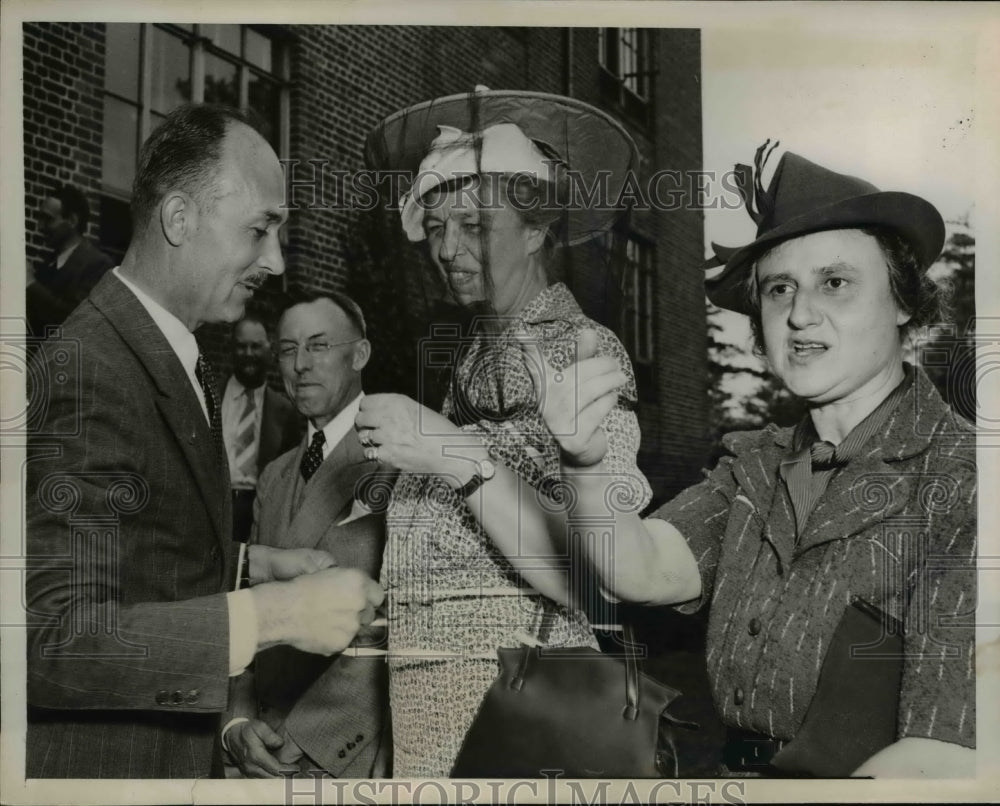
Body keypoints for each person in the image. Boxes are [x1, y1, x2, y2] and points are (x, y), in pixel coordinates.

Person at [522, 146, 977, 777]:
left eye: (835, 282)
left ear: (903, 301)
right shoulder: (757, 465)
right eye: (779, 288)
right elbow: (641, 568)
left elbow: (943, 749)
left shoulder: (965, 478)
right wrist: (585, 461)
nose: (799, 314)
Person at [25, 104, 384, 779]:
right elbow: (53, 645)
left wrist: (252, 565)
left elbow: (140, 550)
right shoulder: (89, 371)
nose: (275, 261)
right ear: (179, 219)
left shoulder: (160, 355)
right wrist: (271, 615)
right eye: (259, 230)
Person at [356, 91, 649, 777]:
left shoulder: (580, 352)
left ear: (536, 230)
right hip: (430, 723)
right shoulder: (473, 357)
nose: (446, 249)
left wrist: (450, 452)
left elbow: (597, 578)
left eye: (474, 226)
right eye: (436, 227)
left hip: (518, 717)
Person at [223, 291, 391, 778]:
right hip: (258, 747)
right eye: (287, 349)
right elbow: (245, 611)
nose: (300, 365)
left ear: (359, 354)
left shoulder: (397, 464)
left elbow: (396, 628)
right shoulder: (274, 477)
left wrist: (304, 740)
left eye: (318, 346)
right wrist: (237, 720)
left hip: (342, 753)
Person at [222, 313, 302, 543]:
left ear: (270, 350)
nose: (248, 353)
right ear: (231, 350)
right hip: (214, 506)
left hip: (258, 516)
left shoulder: (285, 412)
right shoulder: (209, 396)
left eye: (256, 346)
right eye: (241, 346)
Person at [26, 183, 114, 337]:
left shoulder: (98, 265)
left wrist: (30, 283)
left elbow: (73, 319)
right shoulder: (48, 263)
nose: (40, 227)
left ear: (73, 220)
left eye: (48, 219)